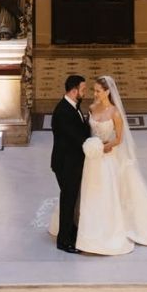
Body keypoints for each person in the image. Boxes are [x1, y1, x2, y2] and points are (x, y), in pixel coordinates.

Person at [74, 76, 147, 256]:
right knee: (91, 191)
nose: (95, 94)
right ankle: (89, 231)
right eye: (94, 90)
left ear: (107, 92)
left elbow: (119, 139)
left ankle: (109, 230)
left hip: (107, 157)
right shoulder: (91, 108)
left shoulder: (115, 113)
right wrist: (91, 147)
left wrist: (102, 148)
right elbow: (90, 131)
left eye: (98, 90)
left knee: (106, 192)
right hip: (92, 158)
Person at [50, 74, 89, 253]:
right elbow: (77, 138)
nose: (84, 92)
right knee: (68, 201)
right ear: (74, 91)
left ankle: (71, 232)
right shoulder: (63, 112)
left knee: (72, 200)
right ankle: (64, 241)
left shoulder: (72, 106)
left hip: (72, 162)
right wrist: (97, 144)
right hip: (66, 164)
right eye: (83, 89)